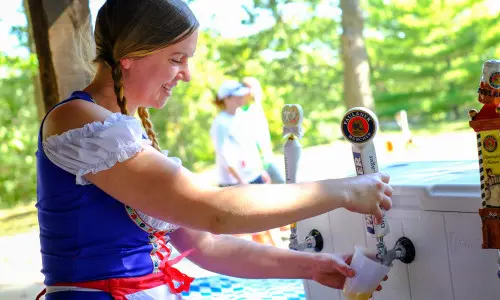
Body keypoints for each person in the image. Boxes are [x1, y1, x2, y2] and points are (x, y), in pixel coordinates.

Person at [35, 1, 393, 299]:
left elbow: (207, 245)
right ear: (129, 55)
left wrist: (314, 266)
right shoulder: (76, 120)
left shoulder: (121, 135)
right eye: (177, 59)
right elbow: (213, 211)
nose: (187, 74)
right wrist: (345, 190)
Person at [210, 80, 270, 187]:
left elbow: (250, 146)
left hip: (254, 176)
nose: (242, 97)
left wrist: (260, 171)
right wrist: (241, 181)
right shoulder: (220, 123)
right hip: (235, 183)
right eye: (237, 96)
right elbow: (224, 155)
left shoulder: (242, 115)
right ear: (227, 99)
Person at [242, 76, 286, 184]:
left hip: (268, 160)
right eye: (253, 89)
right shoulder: (244, 112)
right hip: (259, 164)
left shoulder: (256, 108)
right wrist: (260, 166)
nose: (257, 92)